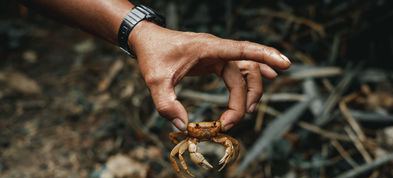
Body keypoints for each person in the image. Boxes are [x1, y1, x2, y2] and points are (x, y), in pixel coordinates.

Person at [25, 0, 291, 131]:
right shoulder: (191, 135)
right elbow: (179, 149)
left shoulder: (216, 133)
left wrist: (139, 33)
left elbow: (229, 147)